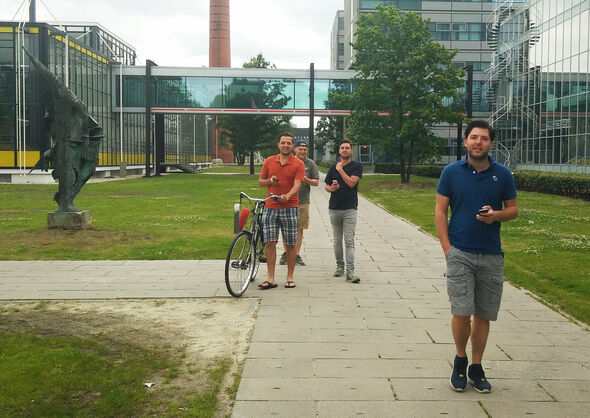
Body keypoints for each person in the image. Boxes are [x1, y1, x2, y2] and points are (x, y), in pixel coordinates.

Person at [435, 119, 518, 393]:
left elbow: (513, 210)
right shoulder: (451, 172)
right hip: (460, 252)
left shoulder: (503, 174)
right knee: (461, 311)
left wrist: (496, 216)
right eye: (474, 137)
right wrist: (447, 248)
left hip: (492, 254)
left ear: (491, 144)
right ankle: (460, 360)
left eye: (484, 138)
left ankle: (477, 366)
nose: (478, 142)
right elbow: (439, 211)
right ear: (465, 142)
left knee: (483, 314)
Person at [258, 133, 305, 289]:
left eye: (289, 143)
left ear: (292, 146)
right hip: (271, 207)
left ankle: (290, 277)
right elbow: (260, 182)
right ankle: (270, 278)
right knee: (270, 242)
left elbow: (297, 185)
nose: (286, 145)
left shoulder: (298, 164)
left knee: (291, 244)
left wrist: (288, 195)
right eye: (283, 142)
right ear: (278, 144)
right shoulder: (269, 161)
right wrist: (270, 181)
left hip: (290, 207)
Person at [324, 139, 363, 283]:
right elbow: (326, 186)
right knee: (336, 240)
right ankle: (339, 266)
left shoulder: (357, 166)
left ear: (351, 151)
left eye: (347, 148)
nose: (345, 150)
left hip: (350, 208)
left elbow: (352, 183)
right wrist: (331, 188)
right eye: (342, 148)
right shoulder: (332, 167)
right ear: (339, 151)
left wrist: (340, 170)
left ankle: (350, 271)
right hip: (334, 208)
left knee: (349, 240)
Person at [279, 139, 319, 266]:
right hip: (287, 200)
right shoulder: (288, 161)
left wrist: (305, 179)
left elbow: (316, 182)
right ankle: (287, 253)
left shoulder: (310, 163)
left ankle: (295, 254)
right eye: (300, 149)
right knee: (285, 229)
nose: (302, 151)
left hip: (302, 200)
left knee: (299, 229)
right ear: (294, 149)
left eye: (305, 149)